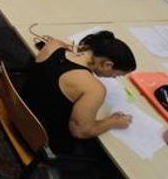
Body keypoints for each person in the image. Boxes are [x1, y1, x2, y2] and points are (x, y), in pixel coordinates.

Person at [21, 31, 136, 171]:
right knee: (106, 162)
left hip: (20, 109)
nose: (114, 78)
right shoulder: (94, 89)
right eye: (117, 74)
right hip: (39, 141)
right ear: (107, 64)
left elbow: (68, 50)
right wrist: (113, 121)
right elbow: (80, 131)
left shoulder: (54, 45)